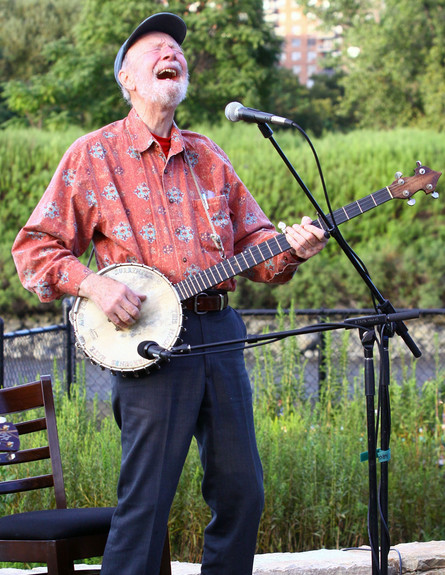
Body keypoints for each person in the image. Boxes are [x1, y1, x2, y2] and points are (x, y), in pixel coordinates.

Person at [12, 12, 328, 575]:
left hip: (218, 332)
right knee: (146, 503)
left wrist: (292, 248)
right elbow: (34, 249)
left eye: (176, 48)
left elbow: (256, 242)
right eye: (155, 47)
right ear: (127, 79)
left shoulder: (209, 155)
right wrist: (96, 285)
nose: (172, 53)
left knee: (242, 492)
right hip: (148, 344)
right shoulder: (93, 155)